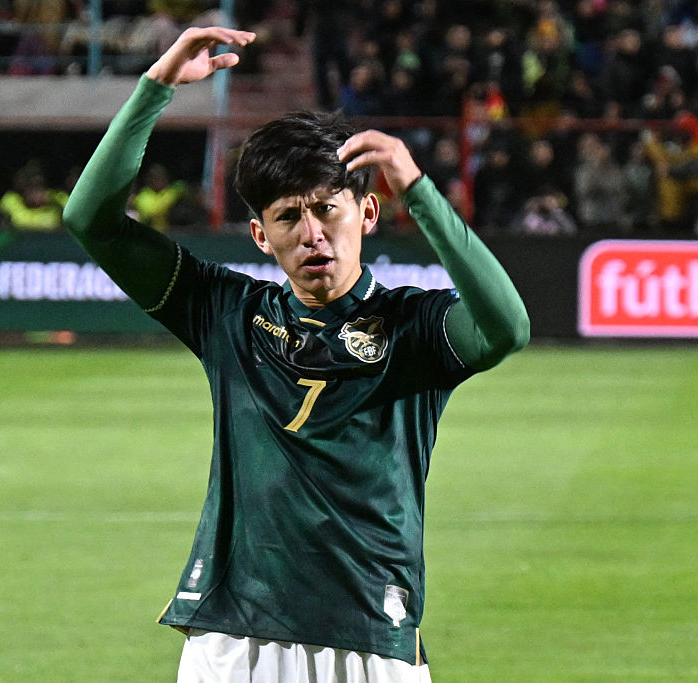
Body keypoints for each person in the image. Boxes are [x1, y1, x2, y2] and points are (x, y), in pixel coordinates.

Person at [63, 27, 529, 682]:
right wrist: (156, 88)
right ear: (260, 234)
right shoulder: (226, 312)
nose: (312, 233)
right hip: (233, 635)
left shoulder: (414, 328)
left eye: (327, 209)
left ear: (368, 213)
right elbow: (92, 220)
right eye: (288, 216)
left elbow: (507, 327)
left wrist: (419, 190)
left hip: (370, 634)